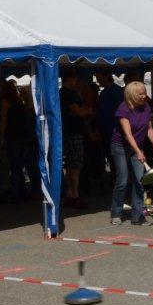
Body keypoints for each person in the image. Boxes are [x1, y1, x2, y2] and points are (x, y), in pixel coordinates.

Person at [110, 81, 153, 225]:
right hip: (120, 147)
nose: (144, 96)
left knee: (139, 180)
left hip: (137, 146)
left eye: (145, 93)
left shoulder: (146, 107)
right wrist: (138, 151)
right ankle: (116, 212)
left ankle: (138, 216)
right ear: (132, 95)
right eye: (141, 94)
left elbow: (149, 128)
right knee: (122, 180)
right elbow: (127, 134)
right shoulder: (123, 109)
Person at [60, 68, 92, 209]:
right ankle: (74, 195)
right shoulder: (66, 94)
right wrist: (86, 110)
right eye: (74, 78)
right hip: (72, 132)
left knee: (72, 164)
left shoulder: (72, 93)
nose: (76, 81)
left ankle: (71, 194)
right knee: (75, 165)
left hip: (74, 131)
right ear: (68, 79)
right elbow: (78, 111)